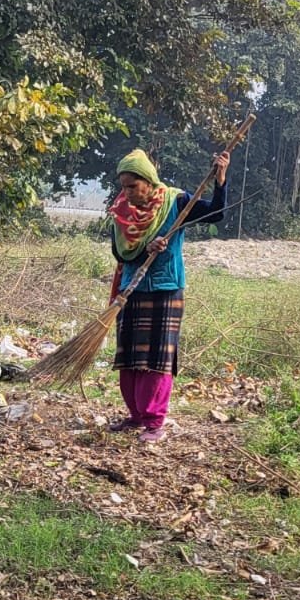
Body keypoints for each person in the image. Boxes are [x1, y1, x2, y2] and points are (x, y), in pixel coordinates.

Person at [109, 146, 229, 442]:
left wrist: (220, 179)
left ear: (148, 181)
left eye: (132, 186)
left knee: (156, 358)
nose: (127, 193)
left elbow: (215, 214)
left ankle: (154, 422)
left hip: (165, 289)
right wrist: (145, 248)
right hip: (131, 288)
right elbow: (119, 252)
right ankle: (135, 415)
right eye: (124, 186)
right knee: (129, 355)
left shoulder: (177, 201)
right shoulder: (121, 210)